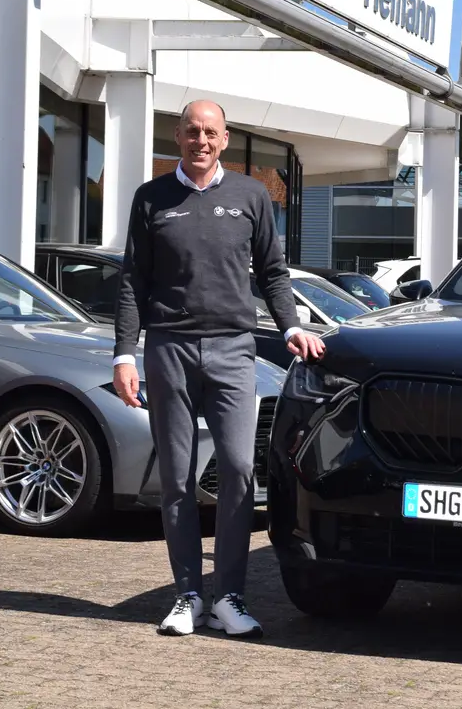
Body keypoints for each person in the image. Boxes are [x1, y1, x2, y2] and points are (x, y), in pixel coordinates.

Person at [112, 100, 325, 639]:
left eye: (210, 132)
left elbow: (273, 272)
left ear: (225, 138)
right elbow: (133, 280)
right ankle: (187, 595)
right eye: (191, 132)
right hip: (169, 349)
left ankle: (228, 595)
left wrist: (292, 326)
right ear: (177, 137)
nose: (200, 140)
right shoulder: (151, 198)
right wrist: (123, 353)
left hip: (234, 349)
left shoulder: (252, 196)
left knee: (237, 468)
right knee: (178, 478)